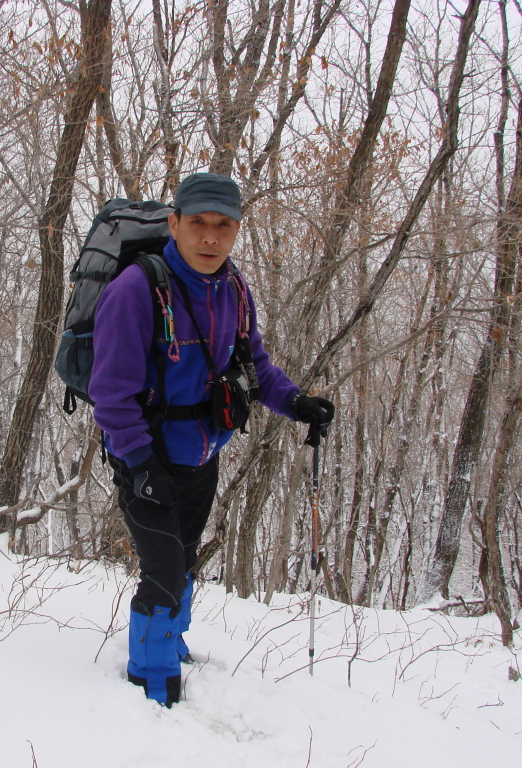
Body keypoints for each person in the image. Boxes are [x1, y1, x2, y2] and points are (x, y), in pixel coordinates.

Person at [89, 172, 335, 707]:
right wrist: (140, 466)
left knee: (187, 558)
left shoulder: (233, 288)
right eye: (197, 223)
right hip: (146, 457)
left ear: (237, 230)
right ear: (174, 223)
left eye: (223, 225)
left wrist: (295, 402)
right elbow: (109, 394)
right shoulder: (136, 289)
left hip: (202, 454)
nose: (210, 237)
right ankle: (152, 689)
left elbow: (255, 366)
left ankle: (170, 648)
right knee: (162, 572)